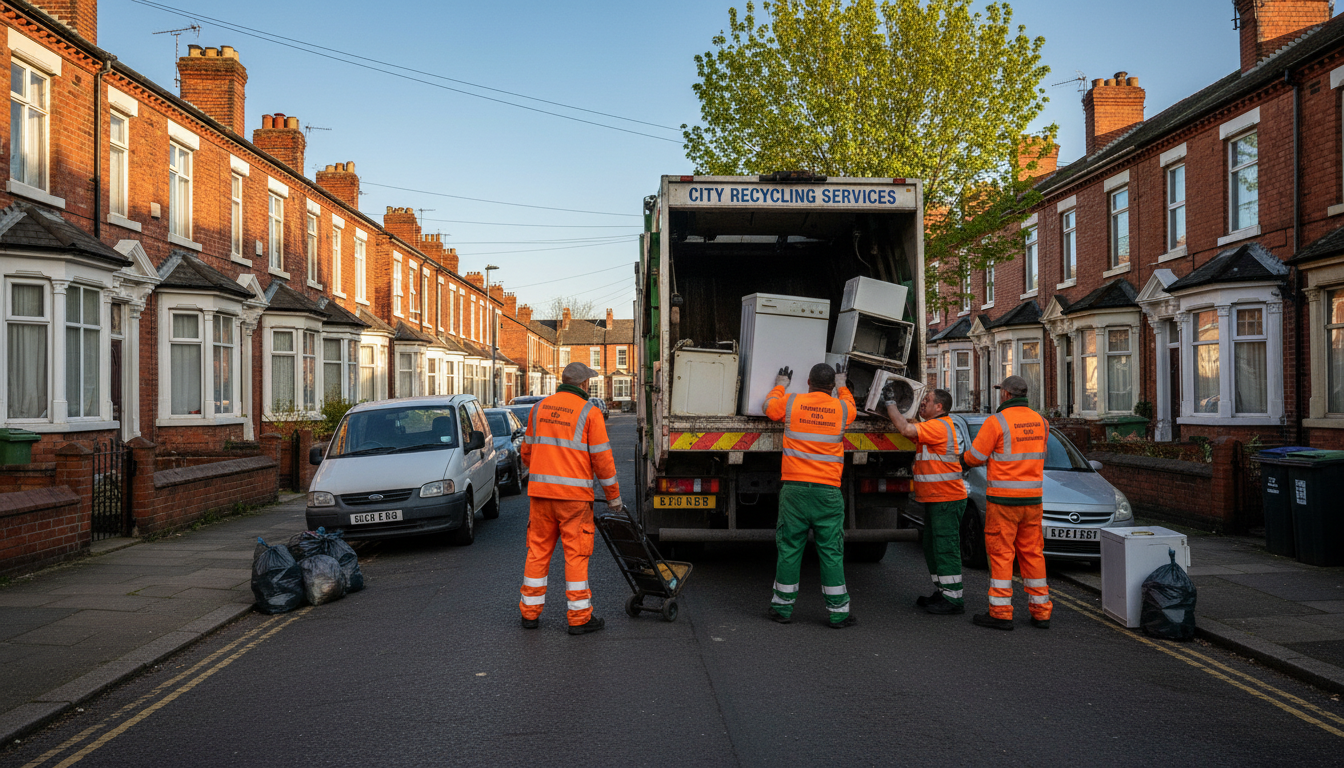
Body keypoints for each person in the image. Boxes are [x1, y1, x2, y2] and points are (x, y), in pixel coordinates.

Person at [518, 362, 621, 635]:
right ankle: (579, 618)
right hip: (574, 499)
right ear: (585, 384)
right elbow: (602, 460)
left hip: (540, 496)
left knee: (538, 551)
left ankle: (529, 613)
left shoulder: (538, 408)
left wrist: (536, 473)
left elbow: (526, 450)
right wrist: (613, 497)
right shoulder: (590, 412)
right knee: (575, 555)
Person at [763, 362, 858, 628]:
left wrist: (781, 384)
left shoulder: (792, 402)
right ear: (831, 386)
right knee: (831, 551)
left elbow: (769, 409)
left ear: (807, 381)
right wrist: (843, 384)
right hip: (828, 491)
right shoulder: (841, 408)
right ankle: (838, 613)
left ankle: (782, 609)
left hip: (794, 490)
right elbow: (852, 407)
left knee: (790, 548)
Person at [961, 375, 1052, 630]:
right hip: (1032, 501)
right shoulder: (1042, 423)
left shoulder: (997, 422)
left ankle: (1000, 612)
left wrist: (963, 460)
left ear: (1005, 395)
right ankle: (1041, 611)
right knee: (1033, 553)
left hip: (1003, 501)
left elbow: (977, 456)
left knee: (1001, 554)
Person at [882, 387, 967, 615]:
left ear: (939, 407)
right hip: (939, 497)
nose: (922, 403)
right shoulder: (935, 426)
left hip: (946, 498)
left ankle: (953, 599)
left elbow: (905, 429)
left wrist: (890, 402)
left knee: (944, 547)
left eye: (927, 401)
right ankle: (943, 591)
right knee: (933, 546)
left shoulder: (938, 427)